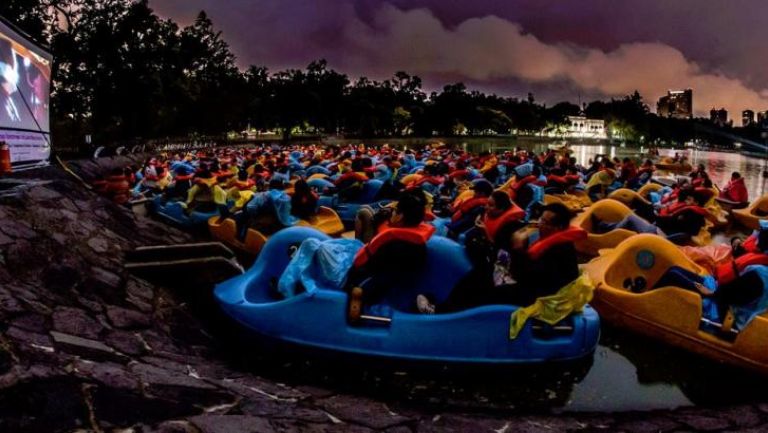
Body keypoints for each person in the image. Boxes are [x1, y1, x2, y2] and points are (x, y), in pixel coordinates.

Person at [417, 202, 585, 313]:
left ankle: (441, 313)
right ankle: (444, 307)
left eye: (546, 222)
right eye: (541, 219)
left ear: (560, 226)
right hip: (530, 284)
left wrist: (517, 253)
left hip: (539, 296)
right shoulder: (547, 240)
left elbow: (536, 278)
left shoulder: (561, 249)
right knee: (483, 271)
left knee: (485, 286)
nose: (541, 224)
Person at [347, 189, 435, 321]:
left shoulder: (395, 245)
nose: (392, 213)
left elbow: (366, 267)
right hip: (397, 279)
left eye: (395, 211)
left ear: (400, 216)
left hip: (379, 285)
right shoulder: (415, 240)